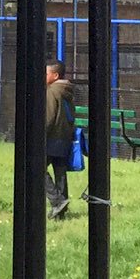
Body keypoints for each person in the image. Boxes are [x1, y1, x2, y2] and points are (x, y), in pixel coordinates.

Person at [45, 59, 76, 219]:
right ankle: (61, 213)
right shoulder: (67, 90)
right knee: (60, 173)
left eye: (46, 73)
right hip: (65, 138)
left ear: (55, 75)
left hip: (51, 138)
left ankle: (57, 201)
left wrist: (40, 135)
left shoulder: (52, 91)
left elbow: (48, 117)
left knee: (37, 169)